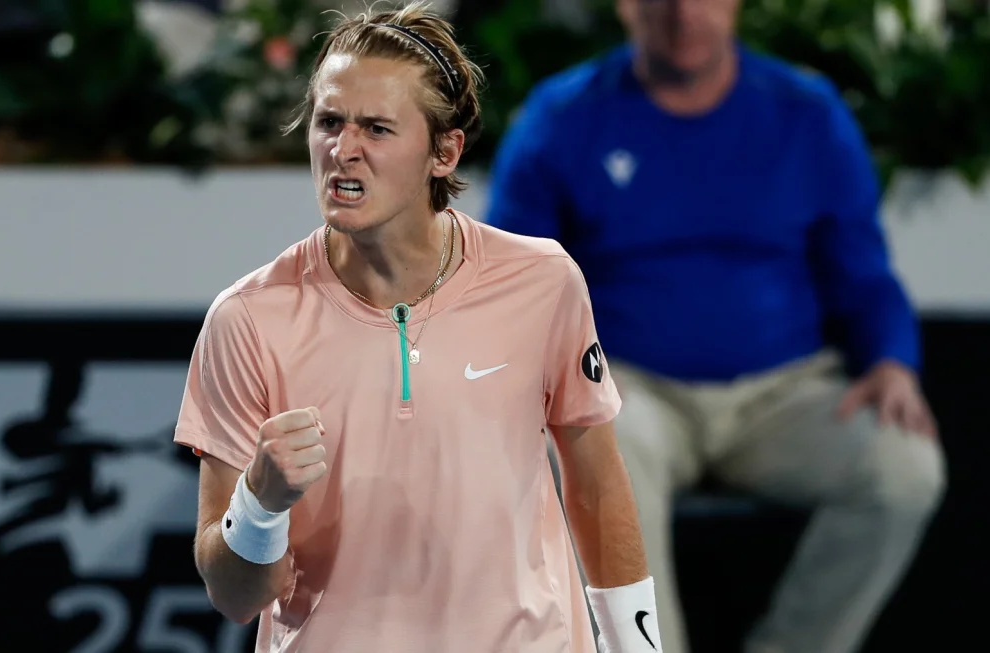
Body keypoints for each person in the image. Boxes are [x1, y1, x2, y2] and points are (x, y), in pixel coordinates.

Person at [174, 2, 665, 651]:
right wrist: (260, 504)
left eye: (376, 129)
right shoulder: (245, 319)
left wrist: (640, 646)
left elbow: (597, 486)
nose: (342, 150)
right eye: (328, 122)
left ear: (444, 151)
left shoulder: (543, 282)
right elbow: (234, 597)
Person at [482, 1, 947, 652]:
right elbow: (511, 281)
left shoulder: (805, 112)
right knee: (595, 443)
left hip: (783, 391)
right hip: (628, 388)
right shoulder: (561, 116)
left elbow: (863, 272)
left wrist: (891, 361)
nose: (683, 14)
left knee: (905, 470)